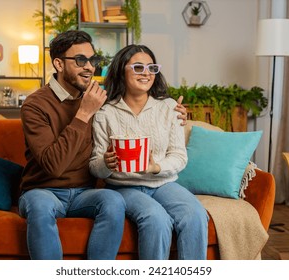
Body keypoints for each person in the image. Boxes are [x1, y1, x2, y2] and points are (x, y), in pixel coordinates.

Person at [18, 30, 188, 260]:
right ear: (58, 63)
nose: (89, 67)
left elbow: (135, 113)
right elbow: (53, 165)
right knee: (38, 206)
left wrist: (179, 116)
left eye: (93, 60)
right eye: (80, 60)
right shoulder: (35, 105)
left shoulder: (99, 99)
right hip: (43, 190)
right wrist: (84, 113)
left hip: (83, 193)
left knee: (113, 200)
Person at [89, 44, 209, 260]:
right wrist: (106, 164)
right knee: (157, 219)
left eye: (151, 68)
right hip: (123, 187)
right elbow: (95, 165)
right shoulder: (104, 113)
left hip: (163, 183)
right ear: (120, 70)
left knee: (196, 214)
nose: (146, 73)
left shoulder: (169, 108)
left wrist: (156, 167)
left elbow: (179, 156)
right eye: (137, 67)